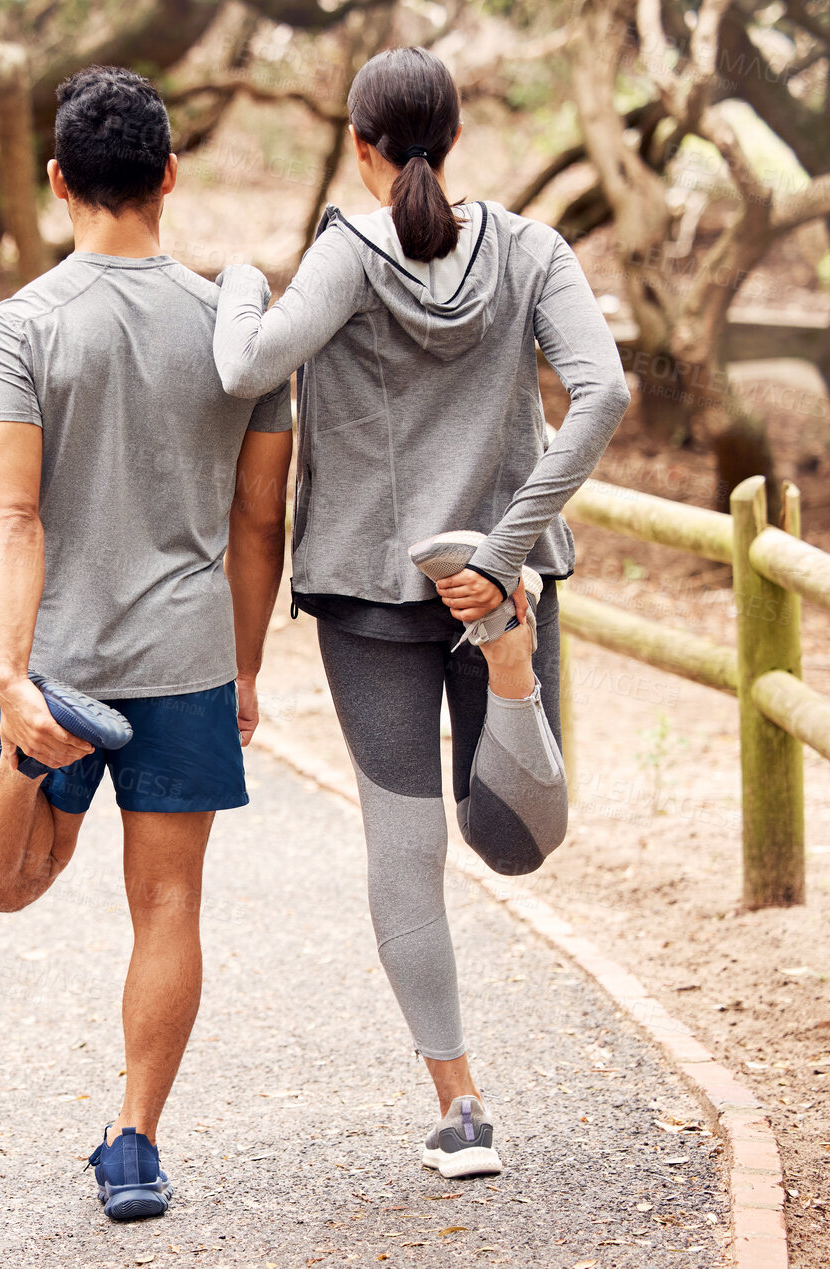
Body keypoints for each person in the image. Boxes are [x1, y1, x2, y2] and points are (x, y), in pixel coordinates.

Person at [211, 46, 630, 1180]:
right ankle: (511, 674)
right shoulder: (535, 248)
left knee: (406, 850)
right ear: (456, 139)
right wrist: (503, 555)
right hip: (502, 582)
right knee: (515, 843)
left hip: (368, 593)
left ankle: (459, 1105)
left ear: (359, 145)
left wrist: (244, 278)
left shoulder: (344, 254)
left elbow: (245, 364)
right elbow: (606, 391)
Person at [0, 65, 294, 1221]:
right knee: (168, 907)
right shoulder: (240, 334)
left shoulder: (17, 329)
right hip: (186, 657)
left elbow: (8, 510)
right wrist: (244, 666)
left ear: (59, 182)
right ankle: (136, 1140)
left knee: (7, 884)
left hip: (56, 656)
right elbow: (260, 521)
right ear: (168, 177)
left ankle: (23, 758)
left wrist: (13, 679)